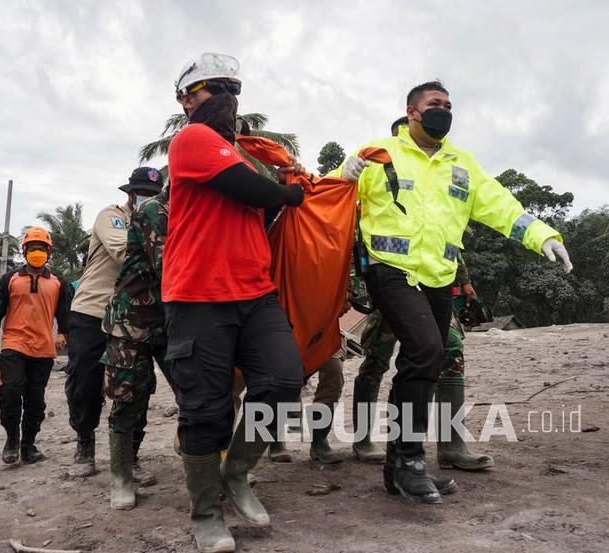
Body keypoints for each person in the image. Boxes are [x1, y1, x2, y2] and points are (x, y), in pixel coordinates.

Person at [336, 81, 572, 504]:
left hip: (439, 276)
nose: (443, 111)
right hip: (390, 270)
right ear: (412, 112)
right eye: (434, 105)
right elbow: (333, 200)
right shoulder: (379, 153)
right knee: (426, 349)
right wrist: (344, 172)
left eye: (448, 105)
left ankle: (397, 467)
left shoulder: (462, 165)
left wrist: (542, 235)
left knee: (426, 357)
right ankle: (410, 460)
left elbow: (501, 206)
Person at [164, 52, 305, 553]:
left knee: (285, 379)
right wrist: (289, 195)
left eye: (233, 88)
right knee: (205, 410)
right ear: (185, 100)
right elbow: (254, 191)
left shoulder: (243, 152)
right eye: (213, 88)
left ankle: (237, 472)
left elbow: (259, 211)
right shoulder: (193, 140)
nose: (227, 97)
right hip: (198, 294)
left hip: (255, 290)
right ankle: (205, 513)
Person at [64, 168, 162, 478]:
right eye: (142, 192)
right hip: (93, 310)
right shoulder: (112, 216)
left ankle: (129, 456)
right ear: (130, 194)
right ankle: (85, 441)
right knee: (85, 382)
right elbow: (126, 252)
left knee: (136, 385)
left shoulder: (165, 219)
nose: (147, 198)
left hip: (135, 314)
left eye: (153, 193)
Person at [101, 177, 173, 509]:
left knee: (197, 391)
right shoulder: (154, 210)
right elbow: (168, 266)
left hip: (171, 321)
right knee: (129, 397)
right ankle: (121, 477)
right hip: (132, 321)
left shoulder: (194, 213)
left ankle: (211, 462)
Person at [0, 227, 71, 465]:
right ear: (24, 251)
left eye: (41, 249)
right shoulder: (10, 280)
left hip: (43, 349)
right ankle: (11, 440)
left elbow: (66, 317)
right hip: (13, 344)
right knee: (9, 393)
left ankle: (28, 445)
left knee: (35, 400)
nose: (37, 252)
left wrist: (63, 335)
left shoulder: (59, 283)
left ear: (49, 252)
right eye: (33, 248)